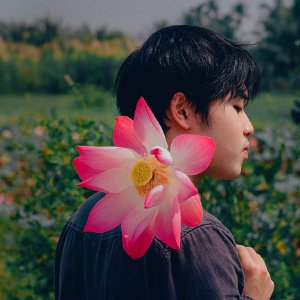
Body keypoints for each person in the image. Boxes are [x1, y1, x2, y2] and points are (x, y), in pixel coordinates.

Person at [55, 25, 274, 299]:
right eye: (238, 107)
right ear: (182, 110)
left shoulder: (82, 220)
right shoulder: (195, 237)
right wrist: (255, 293)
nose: (248, 126)